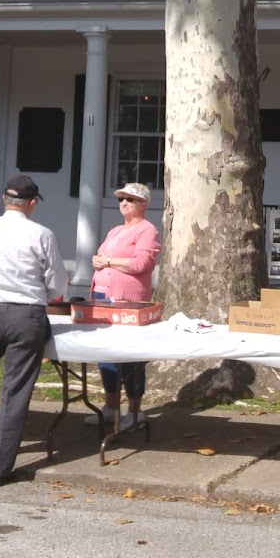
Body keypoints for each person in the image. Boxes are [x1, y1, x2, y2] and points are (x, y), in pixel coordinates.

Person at [0, 174, 67, 488]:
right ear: (32, 203)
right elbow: (57, 283)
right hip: (26, 314)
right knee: (14, 392)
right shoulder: (42, 234)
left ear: (4, 200)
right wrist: (40, 298)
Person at [88, 181, 161, 431]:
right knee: (106, 354)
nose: (124, 203)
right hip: (102, 296)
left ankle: (135, 410)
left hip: (127, 300)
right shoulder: (115, 230)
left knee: (130, 355)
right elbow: (106, 258)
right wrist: (100, 261)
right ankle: (111, 407)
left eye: (130, 199)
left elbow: (140, 264)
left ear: (143, 204)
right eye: (121, 199)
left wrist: (108, 261)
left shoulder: (147, 230)